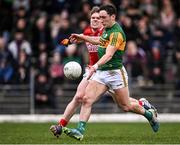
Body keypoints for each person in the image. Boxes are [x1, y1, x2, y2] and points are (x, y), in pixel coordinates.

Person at [50, 5, 158, 140]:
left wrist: (94, 66)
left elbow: (108, 55)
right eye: (98, 17)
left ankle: (149, 115)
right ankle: (79, 130)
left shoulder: (117, 33)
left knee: (125, 106)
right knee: (86, 99)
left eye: (103, 17)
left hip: (115, 73)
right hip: (101, 72)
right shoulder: (107, 29)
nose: (100, 20)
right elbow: (100, 41)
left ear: (113, 17)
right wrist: (83, 37)